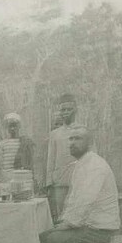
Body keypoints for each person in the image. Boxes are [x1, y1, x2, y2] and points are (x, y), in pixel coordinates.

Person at [39, 129, 120, 243]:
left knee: (47, 241)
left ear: (89, 143)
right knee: (44, 236)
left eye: (78, 139)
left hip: (100, 229)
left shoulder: (94, 166)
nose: (72, 143)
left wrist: (68, 224)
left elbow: (85, 201)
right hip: (87, 225)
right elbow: (73, 199)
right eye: (71, 139)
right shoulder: (82, 163)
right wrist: (64, 222)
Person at [46, 94, 87, 222]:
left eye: (69, 109)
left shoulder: (83, 130)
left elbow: (89, 156)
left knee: (79, 212)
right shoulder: (54, 134)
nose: (65, 113)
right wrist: (49, 182)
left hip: (79, 178)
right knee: (61, 213)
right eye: (63, 110)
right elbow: (51, 158)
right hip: (60, 180)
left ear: (75, 110)